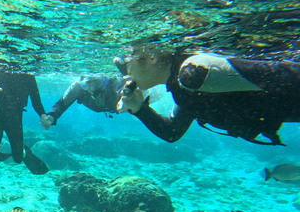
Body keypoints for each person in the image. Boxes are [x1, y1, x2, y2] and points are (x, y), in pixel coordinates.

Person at [114, 47, 300, 145]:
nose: (124, 75)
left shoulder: (192, 73)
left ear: (151, 57)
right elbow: (172, 132)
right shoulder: (182, 86)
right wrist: (139, 108)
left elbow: (285, 75)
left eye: (125, 64)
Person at [0, 60, 49, 174]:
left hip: (16, 117)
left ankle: (21, 150)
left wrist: (43, 115)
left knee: (18, 158)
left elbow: (36, 101)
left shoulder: (28, 76)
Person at [40, 74, 125, 128]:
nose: (92, 88)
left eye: (96, 82)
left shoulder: (115, 85)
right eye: (87, 84)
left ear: (105, 81)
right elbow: (62, 103)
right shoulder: (78, 88)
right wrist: (51, 117)